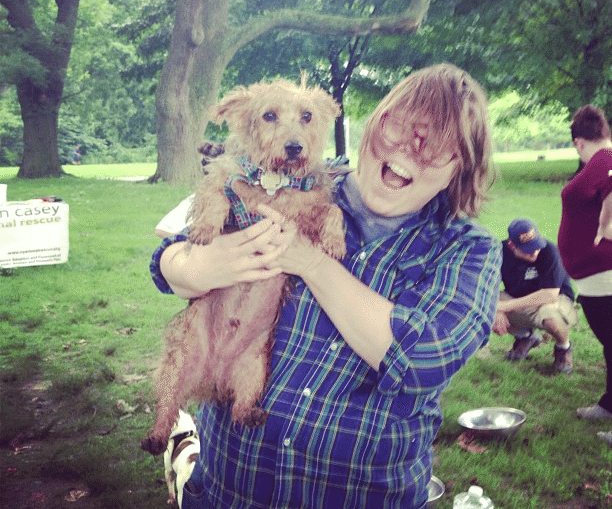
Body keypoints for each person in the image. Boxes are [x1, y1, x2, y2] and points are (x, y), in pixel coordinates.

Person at [149, 63, 502, 509]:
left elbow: (419, 361)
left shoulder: (468, 250)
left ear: (459, 170)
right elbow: (168, 259)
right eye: (401, 126)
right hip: (227, 491)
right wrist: (197, 268)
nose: (411, 149)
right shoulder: (290, 181)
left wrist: (310, 261)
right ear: (375, 123)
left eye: (437, 145)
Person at [557, 105, 612, 443]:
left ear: (578, 141)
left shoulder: (604, 159)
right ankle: (609, 404)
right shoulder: (601, 161)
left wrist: (606, 227)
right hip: (594, 273)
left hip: (604, 271)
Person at [493, 218, 577, 374]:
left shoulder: (550, 250)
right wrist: (496, 310)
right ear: (512, 245)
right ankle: (526, 337)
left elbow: (550, 295)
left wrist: (503, 306)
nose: (535, 251)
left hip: (557, 303)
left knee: (550, 315)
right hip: (523, 302)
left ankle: (563, 348)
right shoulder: (500, 251)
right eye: (527, 248)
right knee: (485, 304)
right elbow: (488, 284)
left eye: (536, 245)